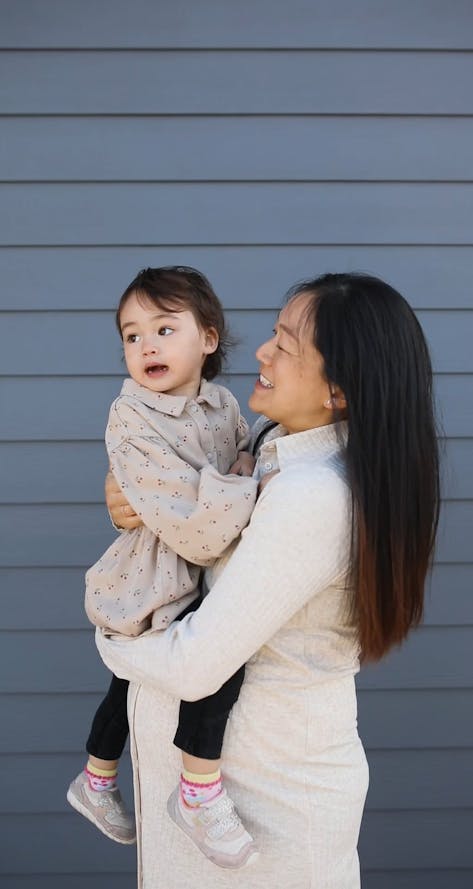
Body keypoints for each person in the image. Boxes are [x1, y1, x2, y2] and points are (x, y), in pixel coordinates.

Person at [97, 272, 441, 888]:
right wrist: (132, 501)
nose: (261, 350)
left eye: (284, 344)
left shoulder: (313, 495)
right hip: (227, 803)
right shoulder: (274, 448)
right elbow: (191, 507)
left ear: (337, 389)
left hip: (266, 815)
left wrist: (109, 640)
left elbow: (195, 664)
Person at [67, 266, 260, 864]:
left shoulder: (224, 404)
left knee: (134, 679)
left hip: (194, 563)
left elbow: (243, 456)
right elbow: (199, 525)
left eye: (164, 329)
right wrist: (243, 486)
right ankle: (197, 790)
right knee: (209, 660)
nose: (146, 345)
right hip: (152, 573)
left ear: (208, 339)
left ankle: (96, 778)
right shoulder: (130, 418)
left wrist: (240, 474)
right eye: (131, 335)